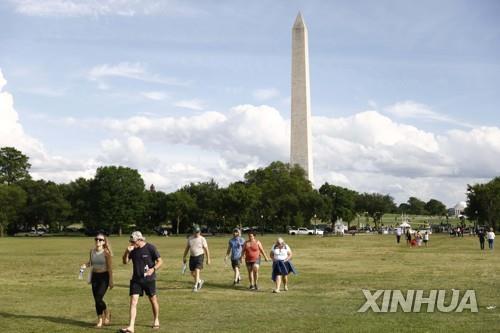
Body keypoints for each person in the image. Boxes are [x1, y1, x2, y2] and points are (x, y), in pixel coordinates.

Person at [120, 231, 163, 333]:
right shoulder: (132, 249)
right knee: (133, 301)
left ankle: (156, 319)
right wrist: (127, 251)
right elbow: (125, 262)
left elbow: (160, 261)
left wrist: (153, 269)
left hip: (149, 280)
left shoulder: (150, 248)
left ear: (140, 240)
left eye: (133, 241)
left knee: (153, 300)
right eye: (131, 241)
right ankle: (131, 327)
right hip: (136, 280)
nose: (132, 243)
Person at [81, 233, 113, 328]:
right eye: (96, 239)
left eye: (100, 240)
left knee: (99, 298)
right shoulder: (92, 251)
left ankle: (106, 313)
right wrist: (85, 265)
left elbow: (110, 268)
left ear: (104, 242)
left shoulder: (106, 253)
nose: (98, 241)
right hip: (95, 276)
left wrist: (111, 281)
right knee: (96, 300)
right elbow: (91, 262)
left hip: (104, 277)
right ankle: (100, 319)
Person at [183, 226, 211, 292]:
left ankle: (195, 286)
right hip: (192, 257)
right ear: (193, 232)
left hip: (200, 256)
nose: (197, 233)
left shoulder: (202, 239)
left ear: (200, 232)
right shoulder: (190, 238)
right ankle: (200, 281)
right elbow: (187, 248)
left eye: (198, 232)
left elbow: (206, 249)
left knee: (197, 270)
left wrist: (208, 259)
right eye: (196, 232)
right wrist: (184, 257)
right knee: (192, 273)